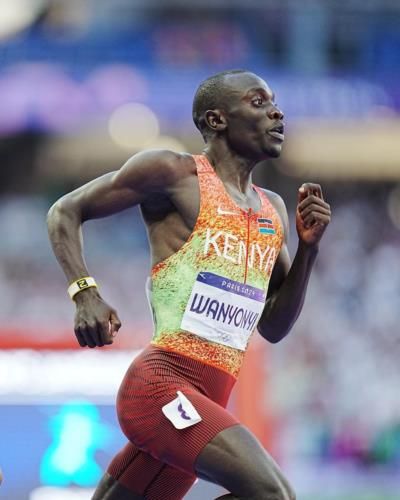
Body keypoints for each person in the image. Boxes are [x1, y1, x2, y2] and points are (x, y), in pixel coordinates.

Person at [47, 69, 331, 500]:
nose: (277, 112)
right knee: (274, 496)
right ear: (217, 120)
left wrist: (308, 251)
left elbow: (273, 326)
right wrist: (85, 293)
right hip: (162, 386)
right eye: (258, 102)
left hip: (206, 401)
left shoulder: (272, 210)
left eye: (275, 103)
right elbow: (64, 211)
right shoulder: (173, 174)